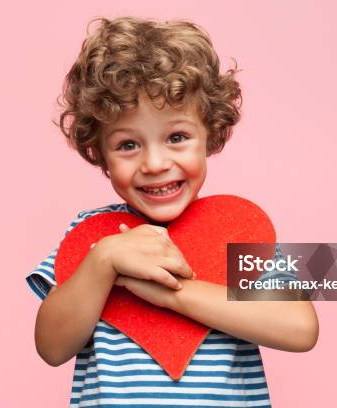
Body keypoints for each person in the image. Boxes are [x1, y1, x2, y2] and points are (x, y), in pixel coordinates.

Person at [26, 16, 318, 407]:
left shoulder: (236, 230)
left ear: (210, 134)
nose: (155, 163)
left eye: (176, 137)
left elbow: (298, 328)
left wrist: (172, 295)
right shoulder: (93, 233)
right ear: (99, 153)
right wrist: (105, 260)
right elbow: (52, 347)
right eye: (128, 145)